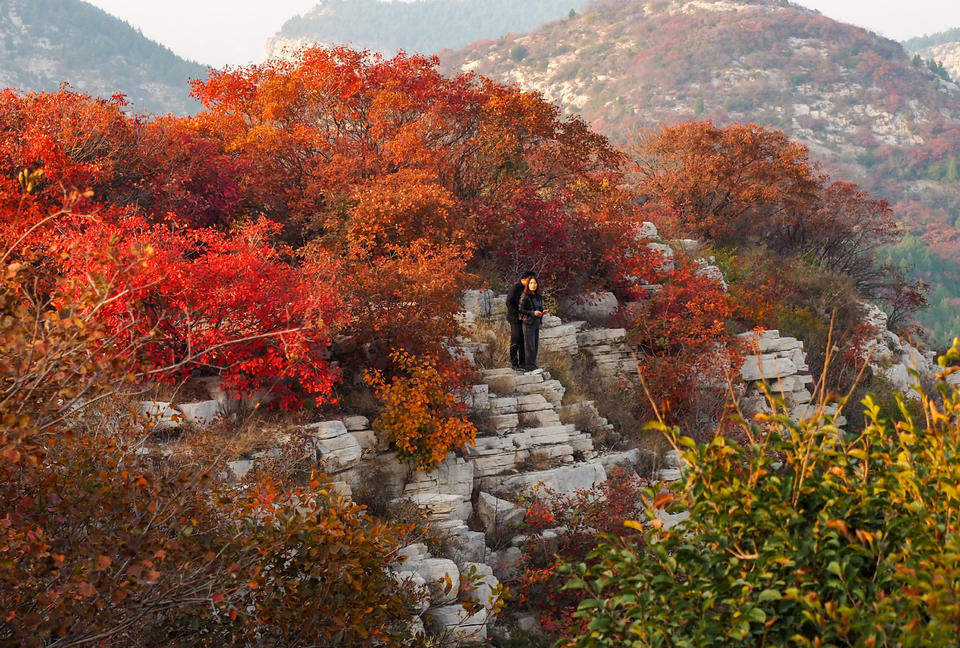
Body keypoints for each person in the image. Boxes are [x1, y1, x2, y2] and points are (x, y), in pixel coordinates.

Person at [506, 270, 536, 370]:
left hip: (524, 319)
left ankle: (523, 363)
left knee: (524, 340)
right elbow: (509, 302)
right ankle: (514, 364)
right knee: (516, 339)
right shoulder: (516, 287)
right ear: (526, 279)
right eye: (530, 279)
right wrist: (517, 315)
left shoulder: (527, 288)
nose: (532, 281)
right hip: (515, 318)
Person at [518, 276, 546, 372]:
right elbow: (520, 310)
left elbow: (539, 308)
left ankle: (533, 364)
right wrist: (533, 313)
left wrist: (543, 311)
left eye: (534, 283)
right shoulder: (524, 295)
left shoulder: (538, 296)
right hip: (528, 323)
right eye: (531, 283)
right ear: (527, 284)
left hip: (536, 322)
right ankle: (529, 366)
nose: (533, 285)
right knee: (529, 345)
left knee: (535, 344)